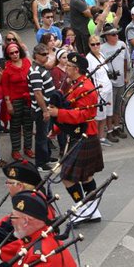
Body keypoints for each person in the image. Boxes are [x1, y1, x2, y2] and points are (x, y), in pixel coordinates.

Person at [47, 53, 104, 225]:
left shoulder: (85, 87)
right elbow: (70, 107)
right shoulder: (77, 84)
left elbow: (83, 114)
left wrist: (59, 114)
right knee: (85, 176)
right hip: (80, 134)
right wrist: (56, 129)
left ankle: (82, 208)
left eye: (69, 67)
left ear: (77, 69)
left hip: (84, 134)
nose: (66, 69)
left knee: (67, 176)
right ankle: (92, 210)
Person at [0, 191, 77, 267]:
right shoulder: (36, 236)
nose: (11, 221)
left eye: (13, 217)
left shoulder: (39, 254)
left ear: (26, 221)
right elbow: (16, 249)